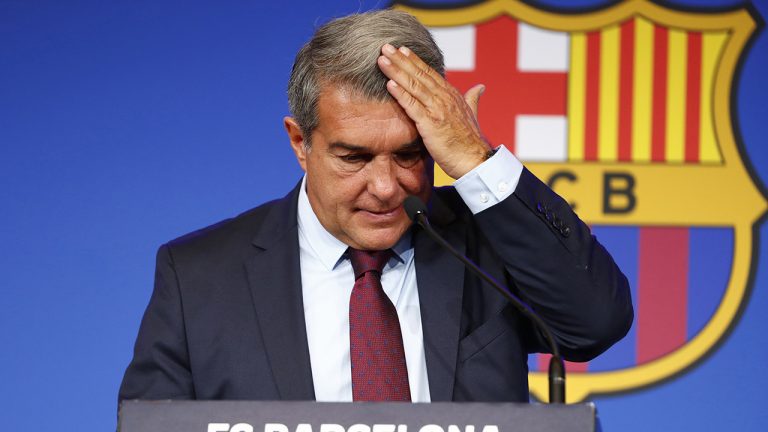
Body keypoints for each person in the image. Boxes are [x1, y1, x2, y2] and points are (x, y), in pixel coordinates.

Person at [119, 9, 632, 404]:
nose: (386, 187)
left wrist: (475, 161)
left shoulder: (487, 244)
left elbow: (597, 322)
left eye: (411, 154)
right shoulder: (200, 276)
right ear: (300, 142)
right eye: (354, 157)